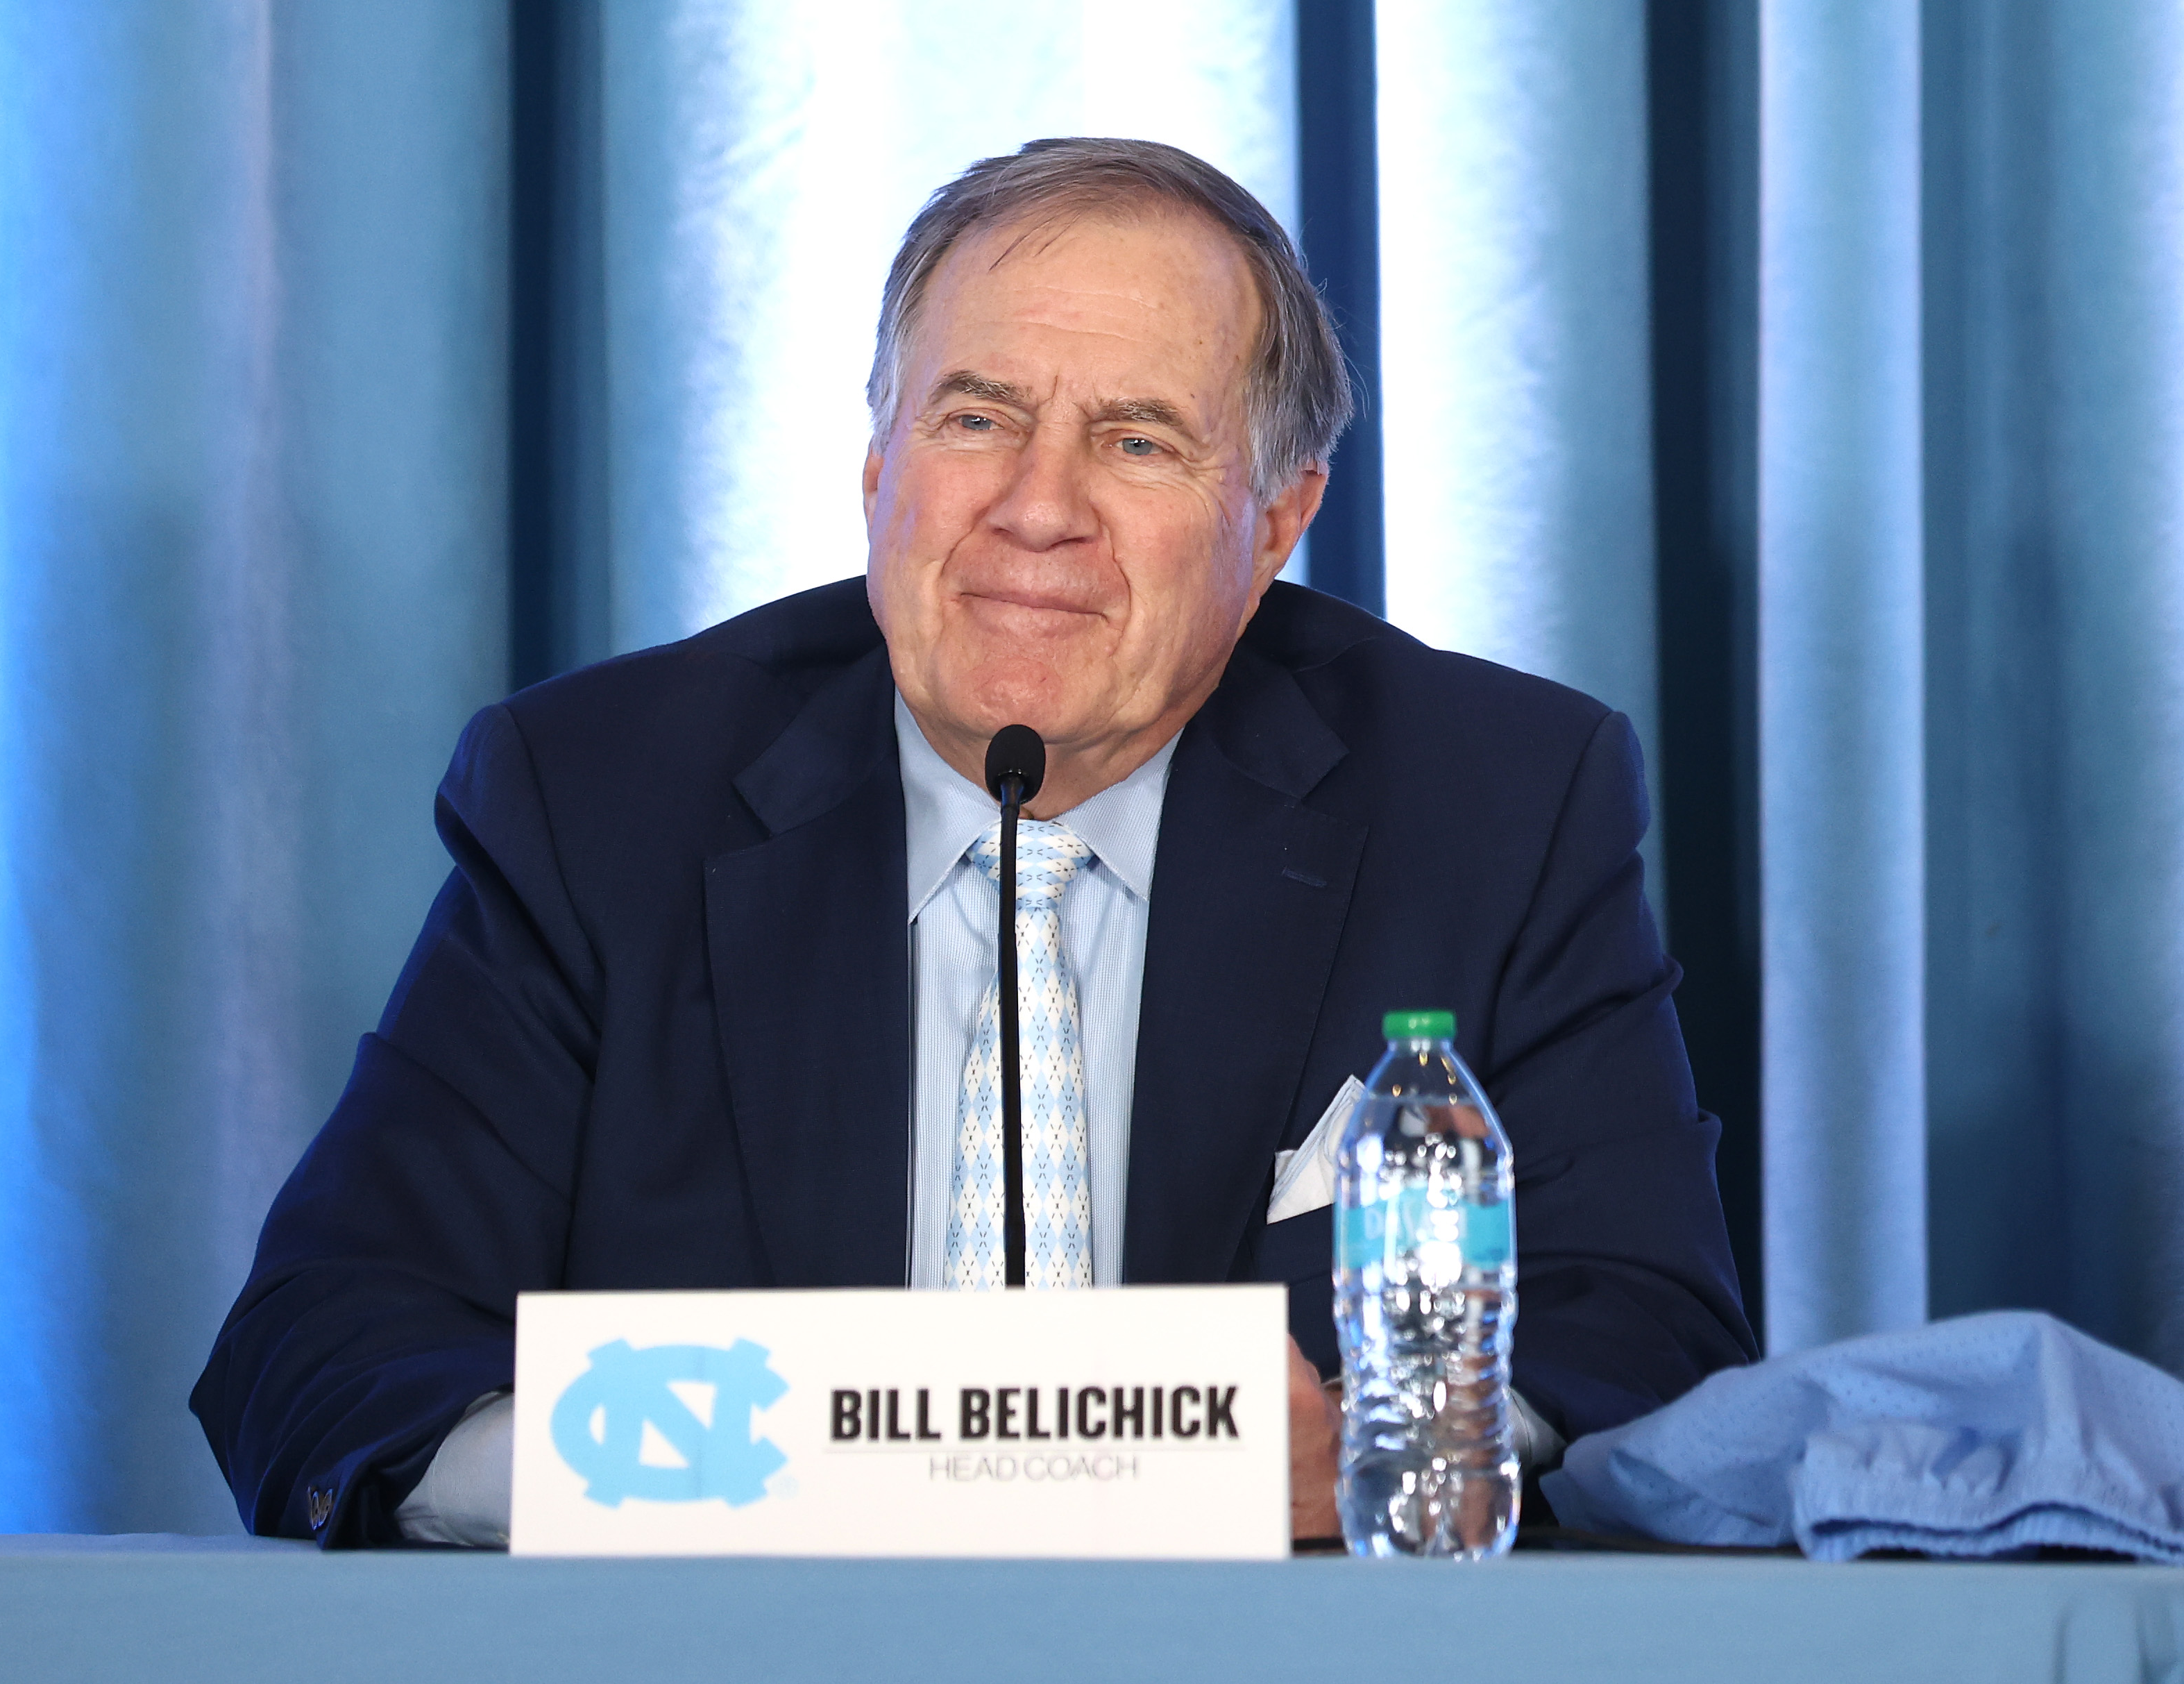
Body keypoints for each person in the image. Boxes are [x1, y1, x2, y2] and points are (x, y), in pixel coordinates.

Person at [192, 137, 1756, 1547]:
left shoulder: (1494, 798)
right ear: (879, 465)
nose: (1034, 506)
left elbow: (1641, 1325)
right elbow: (328, 1347)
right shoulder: (599, 796)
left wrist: (1381, 1455)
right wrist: (731, 1476)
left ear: (1275, 522)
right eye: (975, 416)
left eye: (1137, 441)